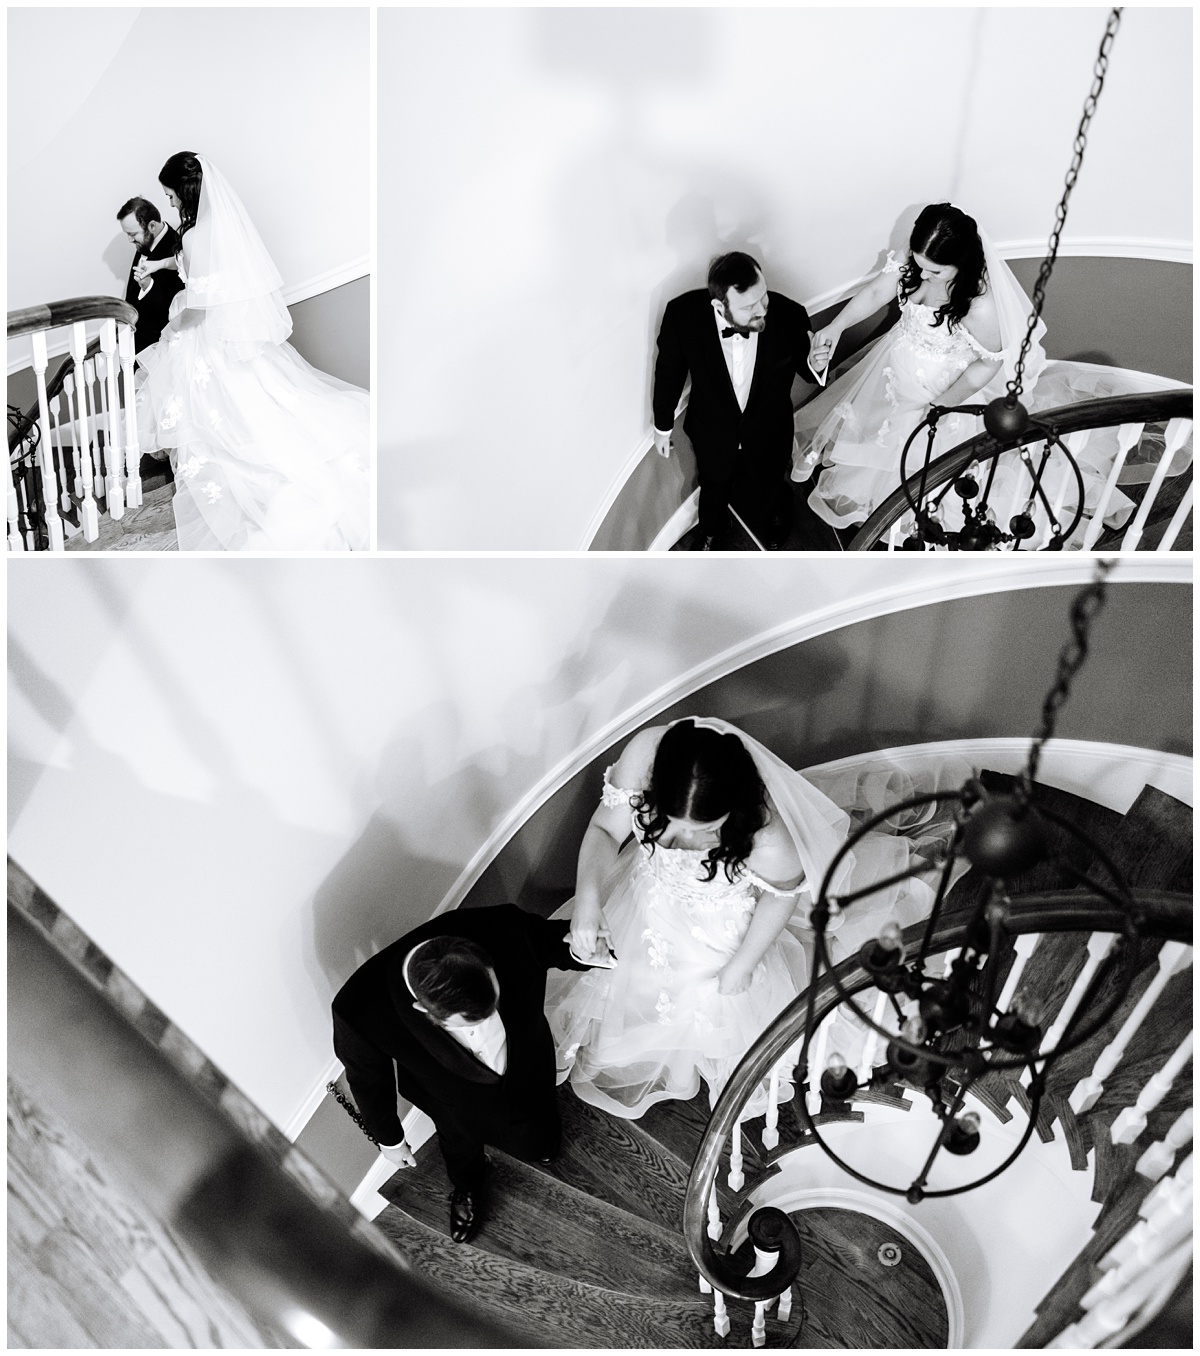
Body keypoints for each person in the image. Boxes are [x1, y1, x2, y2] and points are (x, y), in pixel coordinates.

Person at [544, 718, 934, 1122]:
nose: (676, 843)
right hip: (646, 903)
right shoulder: (644, 755)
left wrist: (743, 963)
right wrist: (589, 900)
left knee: (707, 1004)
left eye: (704, 831)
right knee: (639, 986)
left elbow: (781, 899)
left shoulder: (770, 840)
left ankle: (688, 1060)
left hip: (717, 931)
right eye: (668, 820)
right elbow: (606, 829)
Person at [793, 203, 1190, 541]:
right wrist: (835, 326)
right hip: (895, 371)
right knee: (872, 439)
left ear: (960, 265)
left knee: (925, 467)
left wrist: (940, 405)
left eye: (935, 272)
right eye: (920, 266)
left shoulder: (981, 308)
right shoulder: (919, 258)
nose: (924, 276)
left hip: (941, 391)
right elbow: (880, 290)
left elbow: (985, 365)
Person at [332, 904, 613, 1244]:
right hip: (450, 1101)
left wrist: (590, 949)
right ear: (424, 1011)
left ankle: (542, 1141)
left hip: (528, 1063)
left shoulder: (500, 925)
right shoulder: (359, 1009)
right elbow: (368, 1080)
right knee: (459, 1144)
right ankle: (468, 1187)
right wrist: (390, 1140)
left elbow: (555, 942)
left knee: (539, 1120)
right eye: (473, 1020)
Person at [135, 152, 370, 551]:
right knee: (261, 406)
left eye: (171, 196)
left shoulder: (191, 236)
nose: (170, 203)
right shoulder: (217, 229)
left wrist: (171, 328)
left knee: (220, 424)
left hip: (203, 335)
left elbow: (198, 306)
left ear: (186, 191)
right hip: (230, 336)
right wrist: (160, 268)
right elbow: (204, 272)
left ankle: (250, 490)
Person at [652, 252, 820, 550]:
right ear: (719, 305)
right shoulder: (683, 316)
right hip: (713, 428)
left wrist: (816, 364)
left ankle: (775, 514)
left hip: (769, 428)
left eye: (763, 297)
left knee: (769, 480)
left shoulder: (790, 314)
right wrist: (662, 426)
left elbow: (807, 370)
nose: (762, 310)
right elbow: (669, 373)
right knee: (713, 484)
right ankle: (711, 529)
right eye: (749, 306)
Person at [116, 196, 184, 352]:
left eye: (133, 234)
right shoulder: (144, 243)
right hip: (135, 343)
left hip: (159, 348)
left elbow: (175, 309)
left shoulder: (178, 248)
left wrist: (148, 286)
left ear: (152, 226)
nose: (129, 240)